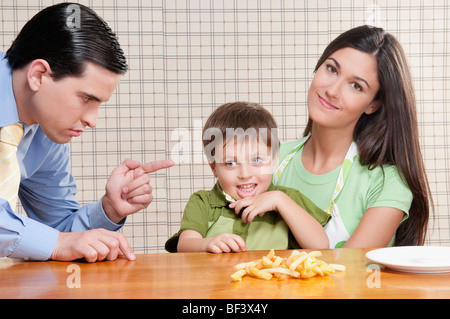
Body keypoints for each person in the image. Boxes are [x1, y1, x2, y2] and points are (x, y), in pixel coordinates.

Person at [0, 3, 173, 262]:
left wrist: (109, 209)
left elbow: (57, 232)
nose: (92, 121)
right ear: (38, 75)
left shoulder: (46, 133)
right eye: (85, 99)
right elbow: (55, 242)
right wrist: (57, 243)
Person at [273, 25, 432, 248]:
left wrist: (281, 200)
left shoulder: (387, 183)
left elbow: (347, 272)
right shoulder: (268, 160)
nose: (332, 91)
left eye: (356, 86)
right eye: (331, 69)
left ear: (373, 104)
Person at [165, 102, 329, 253]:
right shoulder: (202, 202)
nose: (245, 174)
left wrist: (280, 200)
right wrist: (207, 243)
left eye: (256, 160)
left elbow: (320, 245)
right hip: (219, 284)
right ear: (214, 168)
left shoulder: (287, 199)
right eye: (230, 163)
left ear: (273, 161)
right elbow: (184, 246)